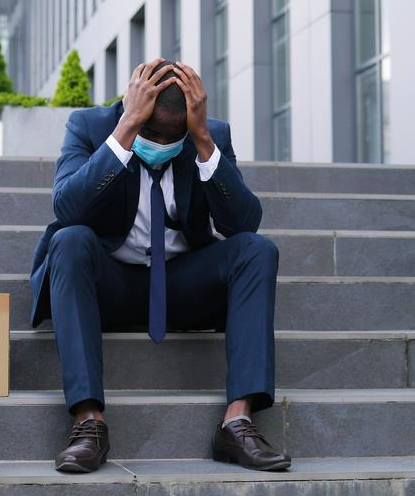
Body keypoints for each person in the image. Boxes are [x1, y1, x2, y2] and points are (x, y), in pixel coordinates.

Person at [28, 57, 290, 473]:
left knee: (256, 249)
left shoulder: (210, 134)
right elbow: (67, 206)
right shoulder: (91, 127)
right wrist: (125, 132)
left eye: (174, 137)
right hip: (107, 283)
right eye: (151, 131)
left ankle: (237, 422)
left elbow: (244, 222)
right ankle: (88, 423)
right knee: (69, 239)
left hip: (180, 285)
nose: (161, 144)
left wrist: (202, 140)